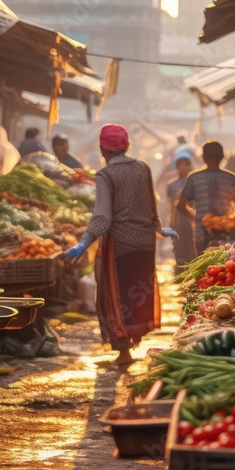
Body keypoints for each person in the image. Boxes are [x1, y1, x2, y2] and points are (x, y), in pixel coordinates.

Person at [64, 124, 177, 365]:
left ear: (103, 149)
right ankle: (133, 342)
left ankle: (124, 351)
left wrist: (83, 244)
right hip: (145, 244)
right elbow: (152, 207)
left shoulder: (105, 175)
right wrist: (160, 229)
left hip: (121, 245)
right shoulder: (143, 167)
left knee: (115, 297)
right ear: (127, 146)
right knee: (138, 293)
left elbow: (103, 217)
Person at [176, 140, 235, 256]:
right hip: (227, 235)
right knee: (224, 267)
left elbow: (180, 206)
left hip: (201, 233)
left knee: (202, 268)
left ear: (203, 157)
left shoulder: (194, 178)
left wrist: (198, 219)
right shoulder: (232, 178)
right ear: (223, 157)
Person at [167, 156, 196, 268]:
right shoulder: (171, 185)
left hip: (191, 217)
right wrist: (171, 221)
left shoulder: (193, 182)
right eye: (180, 166)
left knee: (191, 245)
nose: (183, 168)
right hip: (179, 219)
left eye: (185, 165)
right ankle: (180, 268)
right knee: (179, 244)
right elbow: (172, 205)